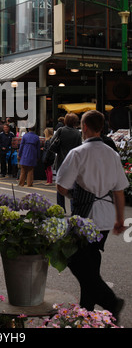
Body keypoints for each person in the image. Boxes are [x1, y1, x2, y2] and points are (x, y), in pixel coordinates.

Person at [56, 110, 128, 322]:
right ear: (102, 128)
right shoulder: (112, 154)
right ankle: (86, 309)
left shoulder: (78, 153)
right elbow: (119, 190)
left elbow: (61, 186)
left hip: (84, 216)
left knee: (74, 259)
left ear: (84, 127)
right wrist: (120, 219)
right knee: (91, 260)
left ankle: (110, 301)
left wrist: (75, 194)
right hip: (105, 218)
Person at [48, 113, 82, 211]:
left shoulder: (60, 130)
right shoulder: (77, 133)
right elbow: (79, 148)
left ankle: (61, 208)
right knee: (72, 186)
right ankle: (73, 208)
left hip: (61, 161)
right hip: (73, 163)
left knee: (60, 185)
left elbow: (51, 143)